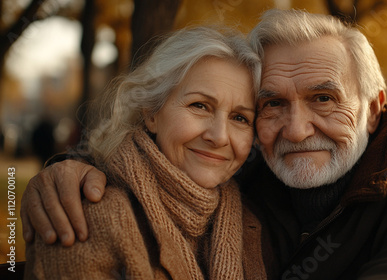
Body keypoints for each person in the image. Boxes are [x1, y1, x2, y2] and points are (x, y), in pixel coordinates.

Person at [22, 9, 387, 279]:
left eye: (323, 98)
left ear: (374, 109)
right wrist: (74, 167)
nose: (295, 130)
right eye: (271, 105)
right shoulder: (246, 177)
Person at [23, 26, 267, 279]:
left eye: (240, 117)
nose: (218, 136)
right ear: (151, 112)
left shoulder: (253, 223)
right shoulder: (86, 214)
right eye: (200, 105)